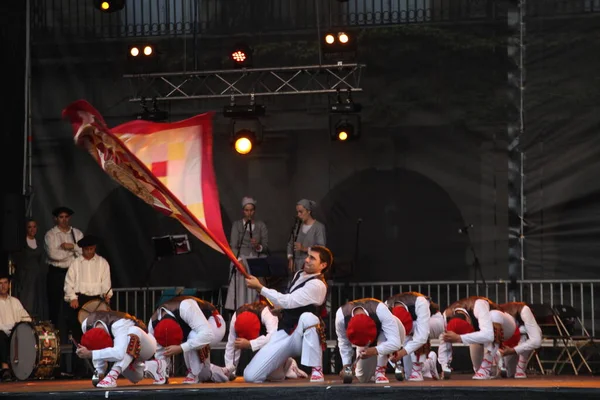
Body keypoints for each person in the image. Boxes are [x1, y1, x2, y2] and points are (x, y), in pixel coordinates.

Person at [243, 245, 332, 383]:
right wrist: (282, 310)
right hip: (286, 331)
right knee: (251, 376)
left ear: (323, 265)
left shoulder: (318, 285)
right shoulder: (299, 274)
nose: (307, 260)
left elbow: (288, 301)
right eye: (308, 256)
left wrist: (260, 288)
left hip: (303, 337)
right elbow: (294, 302)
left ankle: (317, 369)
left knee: (308, 317)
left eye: (312, 258)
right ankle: (287, 366)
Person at [217, 297, 307, 380]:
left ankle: (289, 364)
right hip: (262, 341)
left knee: (276, 377)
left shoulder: (268, 314)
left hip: (280, 342)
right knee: (255, 375)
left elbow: (274, 337)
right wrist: (230, 371)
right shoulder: (235, 318)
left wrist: (250, 344)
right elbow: (231, 346)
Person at [144, 296, 227, 384]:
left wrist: (181, 347)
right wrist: (162, 373)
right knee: (203, 374)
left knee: (193, 335)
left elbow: (207, 334)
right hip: (193, 332)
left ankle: (194, 374)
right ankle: (223, 372)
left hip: (213, 323)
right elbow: (159, 351)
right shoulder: (153, 325)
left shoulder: (186, 307)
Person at [440, 296, 515, 380]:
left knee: (494, 315)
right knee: (478, 370)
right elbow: (444, 340)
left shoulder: (479, 305)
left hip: (506, 327)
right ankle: (494, 358)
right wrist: (445, 366)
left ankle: (492, 360)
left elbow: (489, 335)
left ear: (468, 320)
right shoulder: (447, 315)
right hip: (480, 334)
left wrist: (459, 338)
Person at [75, 310, 156, 388]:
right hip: (128, 356)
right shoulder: (86, 324)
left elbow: (119, 354)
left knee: (133, 332)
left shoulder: (119, 324)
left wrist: (91, 353)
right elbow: (96, 347)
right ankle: (152, 367)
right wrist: (100, 372)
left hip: (147, 348)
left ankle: (112, 376)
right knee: (136, 377)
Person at [335, 298, 405, 384]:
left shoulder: (380, 310)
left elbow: (395, 343)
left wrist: (375, 350)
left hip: (391, 330)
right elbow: (343, 342)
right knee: (362, 378)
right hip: (368, 342)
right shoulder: (341, 316)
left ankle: (380, 370)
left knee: (384, 337)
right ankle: (373, 369)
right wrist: (346, 365)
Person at [386, 292, 445, 381]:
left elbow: (422, 337)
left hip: (434, 321)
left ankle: (417, 368)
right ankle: (429, 363)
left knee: (417, 329)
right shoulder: (386, 307)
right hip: (411, 325)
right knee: (408, 374)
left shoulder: (420, 302)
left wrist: (401, 353)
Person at [64, 235, 113, 341]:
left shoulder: (102, 263)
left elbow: (106, 282)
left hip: (97, 300)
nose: (89, 252)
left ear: (95, 248)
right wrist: (72, 297)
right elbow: (68, 283)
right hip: (80, 300)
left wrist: (106, 295)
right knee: (79, 334)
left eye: (91, 249)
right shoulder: (75, 263)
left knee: (97, 332)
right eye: (87, 249)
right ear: (82, 249)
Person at [45, 206, 84, 339]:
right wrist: (72, 253)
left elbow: (83, 252)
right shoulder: (51, 234)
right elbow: (53, 254)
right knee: (55, 304)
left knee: (72, 304)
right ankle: (55, 335)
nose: (64, 220)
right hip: (57, 272)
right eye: (61, 217)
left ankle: (72, 333)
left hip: (72, 273)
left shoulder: (76, 233)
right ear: (56, 219)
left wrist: (71, 246)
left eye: (66, 217)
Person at [225, 196, 269, 311]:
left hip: (255, 261)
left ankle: (254, 311)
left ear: (254, 211)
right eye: (246, 210)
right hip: (240, 260)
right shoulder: (237, 225)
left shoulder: (261, 225)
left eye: (251, 210)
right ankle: (240, 311)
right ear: (243, 211)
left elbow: (266, 246)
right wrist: (238, 261)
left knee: (255, 289)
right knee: (240, 289)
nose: (249, 213)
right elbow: (233, 245)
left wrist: (258, 246)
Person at [13, 218, 48, 321]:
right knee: (27, 301)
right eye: (29, 227)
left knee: (37, 302)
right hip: (25, 277)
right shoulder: (21, 243)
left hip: (37, 277)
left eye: (34, 227)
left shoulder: (39, 242)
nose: (32, 229)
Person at [498, 302, 542, 378]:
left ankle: (520, 367)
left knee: (525, 336)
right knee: (510, 374)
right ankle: (500, 365)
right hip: (507, 341)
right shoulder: (494, 318)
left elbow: (536, 341)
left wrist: (513, 350)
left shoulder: (524, 310)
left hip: (521, 338)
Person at [0, 273, 31, 381]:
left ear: (9, 285)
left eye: (5, 283)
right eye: (0, 283)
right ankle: (5, 369)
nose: (3, 286)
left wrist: (18, 327)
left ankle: (24, 369)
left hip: (15, 333)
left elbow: (26, 318)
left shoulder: (15, 301)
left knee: (25, 333)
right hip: (2, 333)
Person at [287, 199, 326, 273]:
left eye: (301, 212)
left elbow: (321, 248)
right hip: (296, 266)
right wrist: (290, 258)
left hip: (311, 265)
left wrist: (304, 248)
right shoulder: (297, 227)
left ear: (308, 211)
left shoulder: (318, 227)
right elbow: (290, 244)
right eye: (297, 212)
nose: (298, 214)